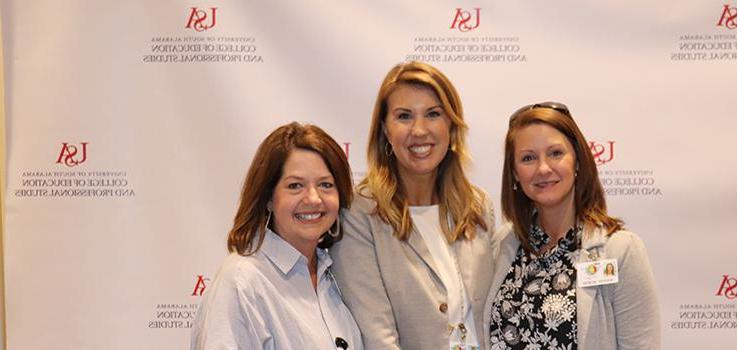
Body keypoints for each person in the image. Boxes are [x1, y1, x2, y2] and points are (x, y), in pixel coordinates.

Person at [330, 61, 496, 350]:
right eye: (404, 116)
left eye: (433, 114)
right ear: (385, 129)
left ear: (451, 125)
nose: (419, 130)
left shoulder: (478, 206)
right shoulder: (360, 214)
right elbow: (377, 337)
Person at [485, 102, 660, 350]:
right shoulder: (503, 245)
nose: (543, 168)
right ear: (514, 174)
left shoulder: (619, 250)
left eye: (555, 153)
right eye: (528, 158)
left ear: (577, 161)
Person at [191, 122, 363, 350]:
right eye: (295, 186)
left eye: (325, 185)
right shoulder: (242, 283)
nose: (313, 198)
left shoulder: (333, 280)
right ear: (269, 198)